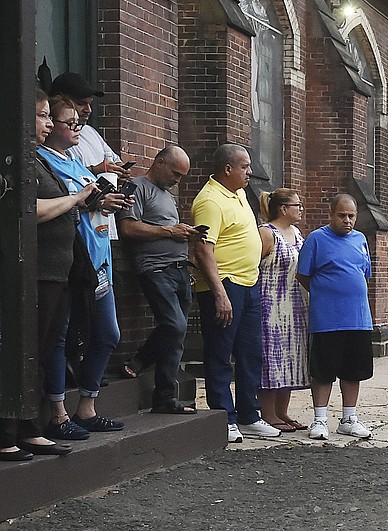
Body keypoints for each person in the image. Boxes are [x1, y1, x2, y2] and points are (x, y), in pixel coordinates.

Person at [0, 90, 90, 462]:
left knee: (39, 351)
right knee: (19, 351)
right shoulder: (19, 163)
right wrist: (76, 198)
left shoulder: (39, 160)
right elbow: (30, 210)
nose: (49, 123)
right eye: (41, 116)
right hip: (30, 273)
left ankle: (30, 428)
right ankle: (6, 433)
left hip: (56, 272)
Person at [38, 95, 130, 437]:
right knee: (60, 336)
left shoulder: (75, 161)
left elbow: (86, 202)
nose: (78, 128)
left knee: (108, 333)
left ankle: (86, 407)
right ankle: (57, 413)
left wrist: (107, 202)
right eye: (69, 122)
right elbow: (62, 206)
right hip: (70, 261)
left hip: (99, 258)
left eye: (79, 123)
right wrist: (91, 201)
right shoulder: (42, 162)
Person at [192, 144, 280, 442]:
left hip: (249, 283)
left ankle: (248, 415)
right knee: (220, 352)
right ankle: (224, 417)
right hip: (225, 285)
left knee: (250, 352)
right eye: (244, 166)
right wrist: (219, 293)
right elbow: (204, 250)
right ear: (227, 169)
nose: (250, 172)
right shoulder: (209, 201)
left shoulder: (239, 193)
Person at [117, 146, 200, 414]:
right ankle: (140, 360)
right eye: (176, 173)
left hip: (178, 269)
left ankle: (165, 398)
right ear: (159, 162)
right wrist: (169, 230)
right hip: (155, 269)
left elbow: (168, 230)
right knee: (173, 325)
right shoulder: (136, 187)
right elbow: (128, 227)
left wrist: (185, 233)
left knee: (177, 337)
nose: (178, 180)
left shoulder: (166, 195)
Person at [296, 194, 374, 440]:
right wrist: (325, 292)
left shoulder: (361, 239)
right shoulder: (316, 239)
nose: (347, 220)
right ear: (331, 214)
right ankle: (319, 419)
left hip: (358, 318)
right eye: (342, 215)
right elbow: (303, 275)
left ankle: (348, 418)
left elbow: (364, 273)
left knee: (353, 370)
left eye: (351, 216)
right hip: (327, 319)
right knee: (323, 371)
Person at [49, 72, 131, 240]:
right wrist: (98, 171)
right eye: (81, 104)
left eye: (90, 103)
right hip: (78, 236)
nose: (88, 110)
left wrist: (118, 182)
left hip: (102, 231)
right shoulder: (48, 157)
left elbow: (114, 162)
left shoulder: (89, 134)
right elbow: (69, 191)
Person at [256, 188, 310, 432]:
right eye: (297, 205)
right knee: (272, 358)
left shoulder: (296, 233)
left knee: (291, 358)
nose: (300, 209)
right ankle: (267, 413)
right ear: (283, 209)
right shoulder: (266, 234)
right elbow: (254, 266)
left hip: (295, 304)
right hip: (271, 304)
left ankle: (282, 411)